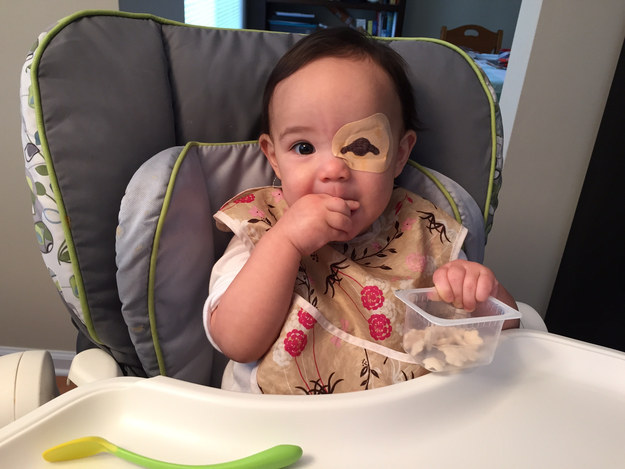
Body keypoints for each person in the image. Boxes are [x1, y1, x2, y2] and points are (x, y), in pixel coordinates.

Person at [203, 27, 518, 394]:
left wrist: (479, 296)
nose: (334, 169)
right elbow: (236, 343)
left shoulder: (425, 232)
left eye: (363, 145)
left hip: (400, 428)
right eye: (304, 147)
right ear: (273, 157)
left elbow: (487, 343)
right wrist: (284, 242)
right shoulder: (263, 227)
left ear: (400, 154)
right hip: (276, 432)